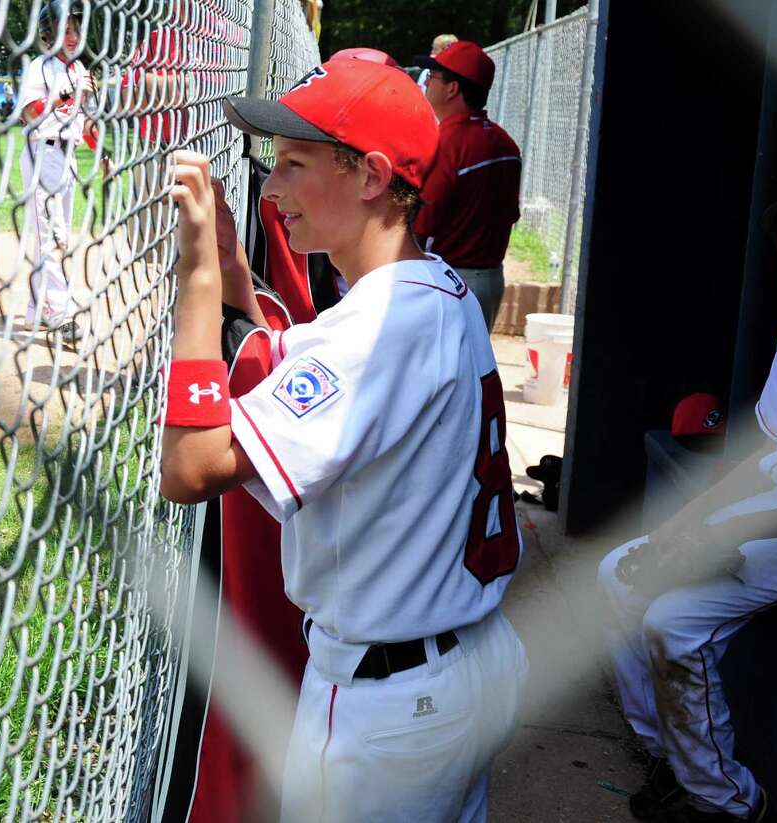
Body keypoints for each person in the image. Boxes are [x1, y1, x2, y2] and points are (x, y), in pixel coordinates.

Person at [160, 57, 527, 822]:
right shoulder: (434, 288)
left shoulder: (378, 327)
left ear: (371, 177)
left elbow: (190, 466)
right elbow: (288, 363)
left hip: (392, 705)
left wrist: (196, 285)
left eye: (295, 165)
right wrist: (233, 269)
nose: (270, 188)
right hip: (466, 662)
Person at [596, 189, 777, 822]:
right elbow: (766, 454)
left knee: (676, 623)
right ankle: (672, 757)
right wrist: (685, 523)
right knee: (620, 572)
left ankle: (725, 802)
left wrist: (733, 533)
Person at [414, 40, 521, 332]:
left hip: (450, 279)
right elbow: (511, 214)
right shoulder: (505, 142)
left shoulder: (447, 142)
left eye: (433, 77)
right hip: (491, 278)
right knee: (476, 372)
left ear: (452, 89)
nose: (426, 84)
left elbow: (422, 226)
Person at [17, 0, 98, 340]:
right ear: (48, 33)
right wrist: (65, 94)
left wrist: (101, 150)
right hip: (41, 154)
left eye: (74, 29)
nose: (70, 36)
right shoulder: (40, 67)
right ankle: (61, 313)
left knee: (54, 237)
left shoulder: (80, 71)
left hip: (67, 158)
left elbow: (90, 128)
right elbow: (28, 114)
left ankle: (37, 308)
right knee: (52, 237)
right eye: (63, 30)